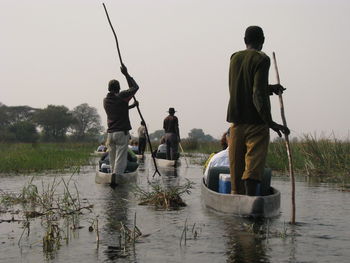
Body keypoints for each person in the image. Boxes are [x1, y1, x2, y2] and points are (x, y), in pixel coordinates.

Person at [227, 26, 290, 196]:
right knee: (253, 166)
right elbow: (257, 93)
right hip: (256, 122)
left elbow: (249, 87)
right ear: (262, 41)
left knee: (236, 166)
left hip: (236, 121)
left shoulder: (234, 58)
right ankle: (251, 205)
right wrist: (270, 122)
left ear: (245, 40)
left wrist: (270, 88)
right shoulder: (262, 59)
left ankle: (236, 200)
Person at [103, 64, 139, 181]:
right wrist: (126, 74)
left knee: (113, 158)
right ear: (118, 88)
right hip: (121, 132)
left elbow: (118, 110)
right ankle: (117, 177)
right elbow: (135, 87)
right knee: (120, 158)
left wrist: (132, 106)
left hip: (110, 134)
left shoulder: (106, 100)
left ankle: (113, 176)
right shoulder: (122, 96)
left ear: (109, 88)